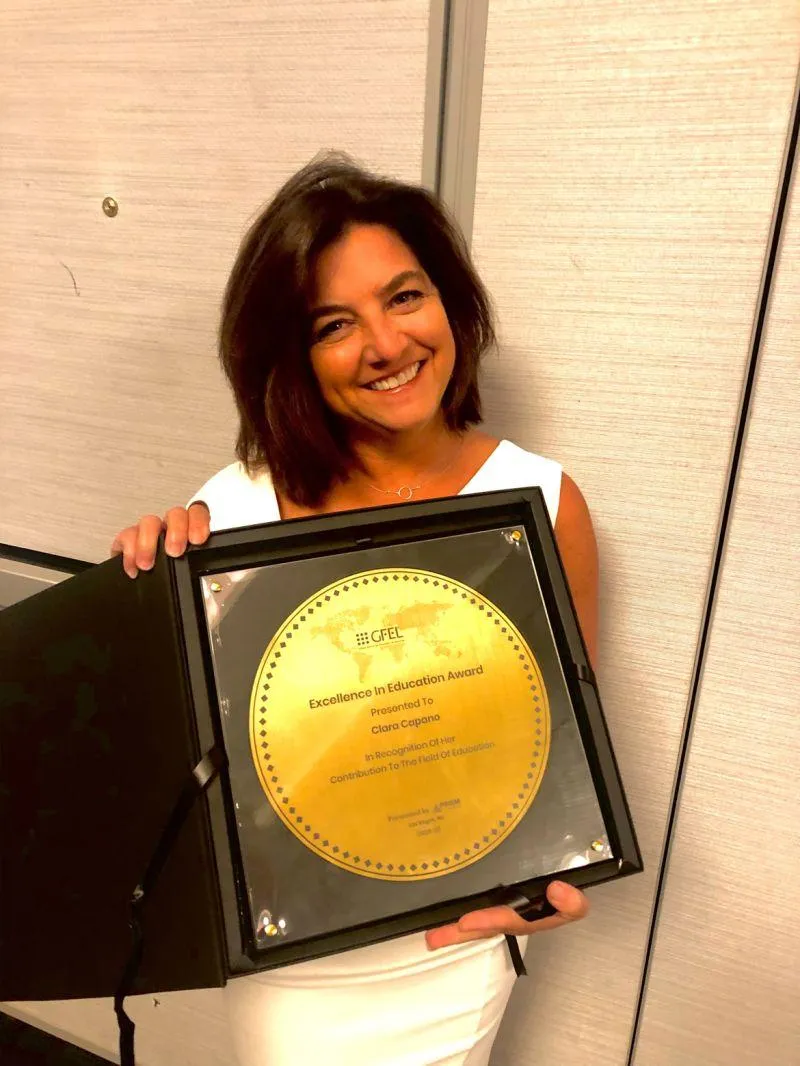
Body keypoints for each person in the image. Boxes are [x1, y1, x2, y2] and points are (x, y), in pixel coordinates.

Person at [111, 156, 596, 1066]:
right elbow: (188, 765)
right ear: (290, 355)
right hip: (299, 956)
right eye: (335, 324)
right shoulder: (236, 509)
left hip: (455, 946)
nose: (384, 344)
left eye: (404, 298)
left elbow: (560, 748)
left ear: (451, 303)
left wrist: (560, 873)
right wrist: (143, 595)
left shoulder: (539, 500)